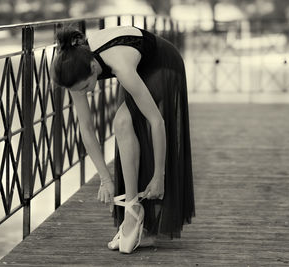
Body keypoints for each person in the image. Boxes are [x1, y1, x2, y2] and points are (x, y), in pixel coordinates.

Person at [50, 25, 195, 254]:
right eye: (81, 90)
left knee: (122, 122)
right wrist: (105, 180)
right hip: (139, 67)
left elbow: (157, 122)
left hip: (162, 62)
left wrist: (159, 176)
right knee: (125, 124)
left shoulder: (120, 65)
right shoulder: (71, 68)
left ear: (92, 66)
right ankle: (134, 211)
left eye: (87, 86)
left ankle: (133, 212)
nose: (86, 92)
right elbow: (87, 129)